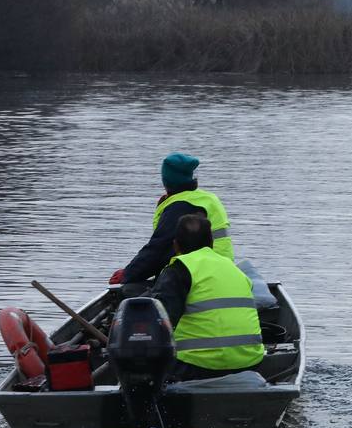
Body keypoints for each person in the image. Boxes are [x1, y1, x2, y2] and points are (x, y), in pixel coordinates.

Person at [149, 212, 266, 383]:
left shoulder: (179, 270)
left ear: (175, 245)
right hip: (250, 362)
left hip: (198, 367)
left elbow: (160, 324)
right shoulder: (236, 270)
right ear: (211, 244)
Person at [112, 152, 235, 285]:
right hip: (222, 268)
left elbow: (158, 248)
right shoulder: (204, 198)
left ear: (166, 180)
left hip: (202, 272)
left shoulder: (181, 205)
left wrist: (128, 274)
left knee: (131, 291)